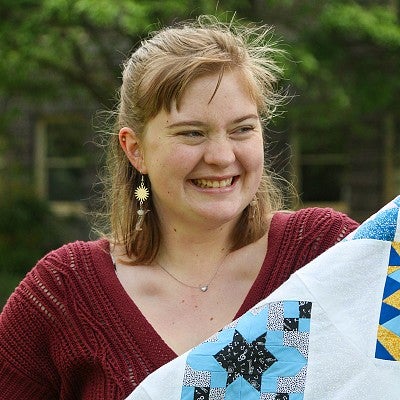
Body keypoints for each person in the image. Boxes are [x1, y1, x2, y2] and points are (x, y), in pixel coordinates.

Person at [0, 15, 358, 400]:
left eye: (242, 129)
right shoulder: (67, 292)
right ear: (135, 149)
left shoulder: (323, 252)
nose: (222, 157)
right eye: (192, 133)